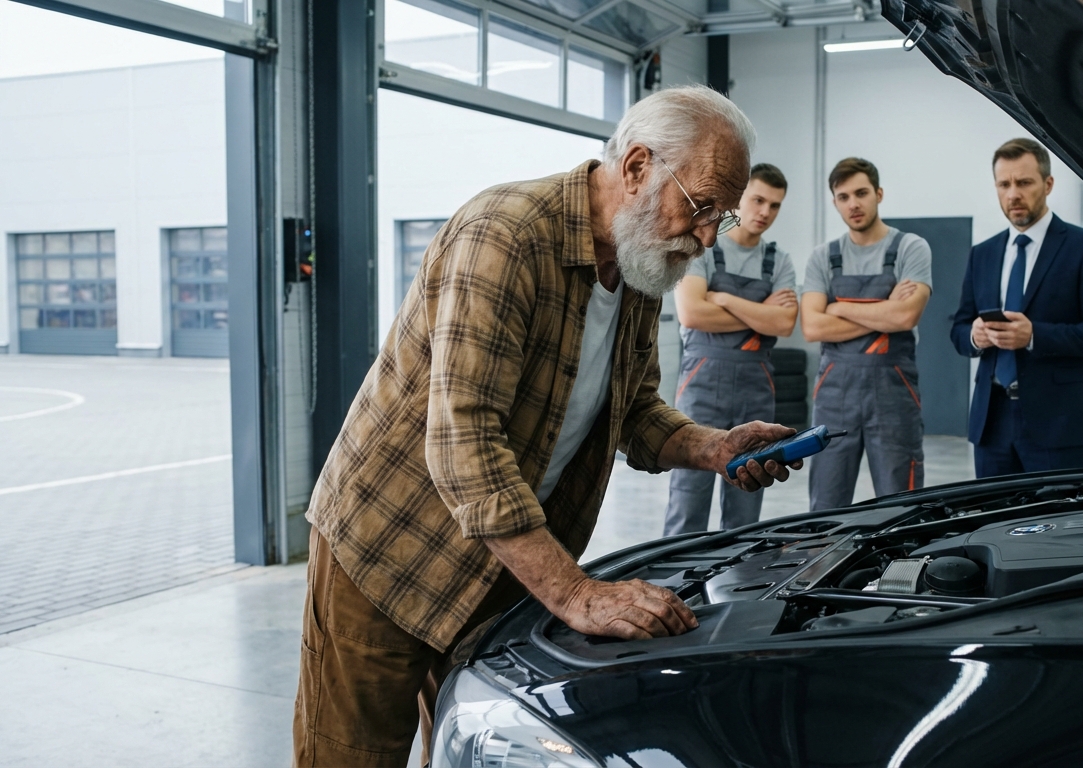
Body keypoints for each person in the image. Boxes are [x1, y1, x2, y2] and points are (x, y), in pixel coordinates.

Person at [292, 86, 804, 767]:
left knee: (468, 748)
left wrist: (713, 447)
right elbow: (465, 441)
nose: (709, 235)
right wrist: (576, 593)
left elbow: (634, 411)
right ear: (637, 168)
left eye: (724, 213)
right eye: (702, 205)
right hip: (390, 552)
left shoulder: (640, 263)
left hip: (502, 559)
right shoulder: (504, 235)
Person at [950, 138, 1083, 477]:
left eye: (1024, 182)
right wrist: (974, 336)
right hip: (991, 421)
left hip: (1058, 423)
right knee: (991, 523)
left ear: (1047, 184)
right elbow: (957, 327)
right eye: (1004, 184)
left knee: (1057, 522)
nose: (1013, 194)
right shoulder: (982, 254)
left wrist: (1034, 336)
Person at [663, 163, 797, 535]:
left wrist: (723, 299)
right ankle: (678, 586)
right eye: (757, 200)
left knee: (748, 495)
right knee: (689, 494)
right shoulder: (704, 247)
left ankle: (737, 585)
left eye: (774, 205)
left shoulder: (779, 260)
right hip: (702, 383)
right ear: (738, 199)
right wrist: (761, 312)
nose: (764, 212)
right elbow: (692, 313)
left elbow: (784, 324)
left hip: (757, 386)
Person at [801, 158, 932, 511]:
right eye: (843, 197)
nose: (853, 204)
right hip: (834, 393)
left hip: (893, 392)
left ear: (879, 194)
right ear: (835, 203)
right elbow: (812, 327)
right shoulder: (822, 258)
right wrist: (883, 309)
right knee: (826, 503)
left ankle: (902, 567)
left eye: (861, 193)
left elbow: (906, 315)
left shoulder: (910, 248)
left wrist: (839, 307)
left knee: (900, 503)